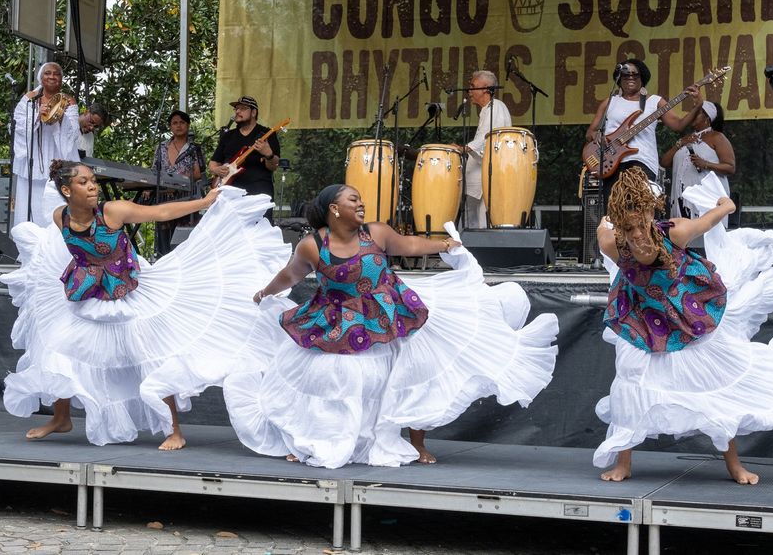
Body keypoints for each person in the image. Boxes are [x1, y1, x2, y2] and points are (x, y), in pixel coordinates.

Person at [224, 184, 559, 468]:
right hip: (338, 319)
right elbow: (290, 275)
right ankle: (308, 439)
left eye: (359, 199)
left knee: (416, 370)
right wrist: (266, 292)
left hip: (389, 310)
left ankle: (416, 442)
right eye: (351, 199)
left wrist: (444, 245)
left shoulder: (376, 232)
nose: (359, 203)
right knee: (328, 382)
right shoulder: (312, 245)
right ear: (333, 209)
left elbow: (409, 245)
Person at [0, 161, 291, 450]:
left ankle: (174, 430)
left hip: (128, 291)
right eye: (83, 182)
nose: (92, 186)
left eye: (93, 181)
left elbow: (160, 212)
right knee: (58, 345)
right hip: (89, 290)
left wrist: (204, 201)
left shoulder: (112, 211)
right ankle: (61, 418)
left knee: (150, 354)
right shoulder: (59, 216)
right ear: (66, 190)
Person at [594, 169, 773, 483]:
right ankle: (623, 463)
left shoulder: (675, 233)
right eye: (628, 228)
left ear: (651, 216)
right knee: (628, 383)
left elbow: (710, 220)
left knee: (715, 383)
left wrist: (725, 206)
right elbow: (605, 228)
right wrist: (608, 222)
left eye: (642, 225)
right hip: (645, 324)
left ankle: (734, 464)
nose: (638, 235)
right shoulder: (611, 242)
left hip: (688, 317)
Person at [585, 58, 701, 206]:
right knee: (614, 211)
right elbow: (590, 132)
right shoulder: (610, 102)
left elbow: (678, 125)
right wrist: (597, 135)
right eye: (626, 75)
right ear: (619, 79)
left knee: (638, 211)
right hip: (610, 162)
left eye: (635, 75)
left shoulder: (655, 102)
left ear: (643, 78)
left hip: (642, 161)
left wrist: (698, 105)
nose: (630, 78)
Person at [12, 62, 80, 226]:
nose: (52, 76)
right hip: (32, 162)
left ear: (61, 79)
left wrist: (61, 117)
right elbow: (17, 125)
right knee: (29, 208)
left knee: (55, 205)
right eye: (47, 73)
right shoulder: (29, 98)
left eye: (56, 74)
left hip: (57, 160)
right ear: (41, 78)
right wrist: (37, 115)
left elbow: (73, 134)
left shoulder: (69, 101)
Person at [660, 101, 735, 219]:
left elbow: (730, 167)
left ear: (707, 118)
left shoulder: (717, 137)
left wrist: (705, 164)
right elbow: (664, 162)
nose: (692, 115)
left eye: (697, 113)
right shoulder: (687, 139)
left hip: (706, 202)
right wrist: (679, 144)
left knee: (705, 233)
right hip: (682, 199)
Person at [208, 96, 280, 218]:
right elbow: (213, 163)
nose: (237, 111)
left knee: (258, 232)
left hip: (258, 193)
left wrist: (269, 154)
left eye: (242, 108)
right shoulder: (228, 136)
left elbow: (274, 166)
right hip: (230, 193)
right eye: (236, 109)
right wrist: (216, 170)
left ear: (253, 112)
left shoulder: (267, 134)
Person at [150, 110, 206, 256]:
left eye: (182, 122)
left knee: (183, 239)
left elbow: (200, 173)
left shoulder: (194, 148)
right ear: (170, 127)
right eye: (175, 123)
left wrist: (182, 177)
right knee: (164, 237)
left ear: (187, 125)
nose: (178, 126)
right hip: (164, 196)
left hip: (187, 197)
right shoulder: (161, 147)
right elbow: (154, 171)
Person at [461, 70, 512, 228]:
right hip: (477, 174)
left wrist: (465, 148)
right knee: (471, 219)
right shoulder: (487, 110)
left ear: (485, 88)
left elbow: (488, 137)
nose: (469, 90)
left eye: (473, 86)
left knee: (483, 219)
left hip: (489, 175)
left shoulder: (496, 106)